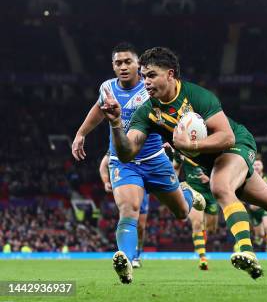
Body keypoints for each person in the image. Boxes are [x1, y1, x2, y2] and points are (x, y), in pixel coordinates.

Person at [101, 46, 267, 280]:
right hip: (210, 161)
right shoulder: (146, 111)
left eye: (152, 76)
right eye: (144, 76)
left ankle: (246, 251)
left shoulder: (196, 95)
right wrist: (115, 124)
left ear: (170, 74)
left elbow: (226, 136)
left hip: (236, 145)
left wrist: (192, 146)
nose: (145, 82)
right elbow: (127, 152)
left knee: (220, 187)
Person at [73, 42, 204, 284]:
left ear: (138, 65)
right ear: (113, 66)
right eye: (118, 63)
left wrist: (173, 140)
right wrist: (81, 133)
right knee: (129, 210)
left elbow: (171, 112)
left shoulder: (150, 89)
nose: (123, 67)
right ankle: (126, 259)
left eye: (128, 62)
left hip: (155, 159)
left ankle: (187, 193)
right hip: (124, 162)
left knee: (182, 213)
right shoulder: (107, 88)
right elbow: (99, 109)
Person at [99, 153, 149, 268]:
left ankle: (137, 255)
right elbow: (103, 165)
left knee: (141, 226)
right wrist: (106, 181)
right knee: (127, 220)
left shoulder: (143, 140)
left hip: (143, 189)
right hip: (125, 184)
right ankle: (127, 257)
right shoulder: (116, 146)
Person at [172, 149, 219, 270]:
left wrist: (210, 179)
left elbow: (222, 171)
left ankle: (200, 244)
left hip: (210, 193)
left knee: (211, 229)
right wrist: (174, 185)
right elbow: (175, 167)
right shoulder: (182, 152)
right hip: (192, 190)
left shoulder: (212, 152)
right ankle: (203, 258)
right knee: (197, 224)